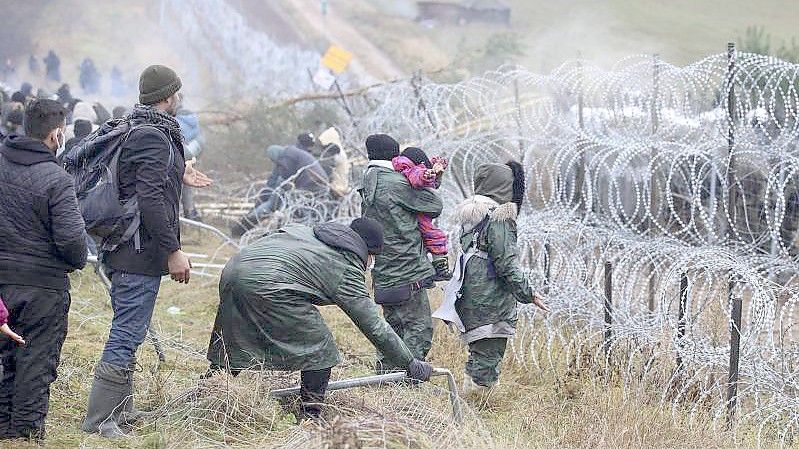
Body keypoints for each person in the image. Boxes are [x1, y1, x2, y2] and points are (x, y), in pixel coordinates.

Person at [82, 64, 212, 438]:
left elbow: (145, 181)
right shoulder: (154, 137)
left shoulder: (142, 130)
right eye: (178, 93)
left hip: (129, 250)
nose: (180, 99)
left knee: (131, 330)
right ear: (169, 96)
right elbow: (151, 200)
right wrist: (174, 250)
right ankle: (101, 420)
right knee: (125, 332)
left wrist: (178, 172)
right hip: (137, 252)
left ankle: (120, 411)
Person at [206, 218, 434, 419]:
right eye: (372, 258)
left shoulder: (307, 232)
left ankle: (208, 390)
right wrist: (409, 362)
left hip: (234, 270)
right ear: (368, 253)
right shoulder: (345, 267)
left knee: (235, 334)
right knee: (321, 348)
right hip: (269, 284)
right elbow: (374, 326)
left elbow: (270, 239)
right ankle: (310, 415)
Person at [0, 99, 88, 442]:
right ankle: (25, 433)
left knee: (7, 357)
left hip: (3, 282)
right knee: (35, 361)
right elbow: (73, 243)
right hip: (43, 286)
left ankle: (5, 425)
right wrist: (73, 262)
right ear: (57, 133)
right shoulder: (57, 180)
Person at [434, 161, 548, 394]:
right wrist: (527, 293)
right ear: (505, 186)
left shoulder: (471, 215)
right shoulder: (499, 216)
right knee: (488, 355)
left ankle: (471, 395)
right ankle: (479, 403)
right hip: (490, 298)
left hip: (469, 292)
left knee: (479, 351)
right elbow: (505, 262)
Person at [360, 134, 442, 372]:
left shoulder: (368, 180)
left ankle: (385, 377)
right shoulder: (396, 183)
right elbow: (434, 205)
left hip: (383, 271)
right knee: (418, 330)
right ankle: (407, 382)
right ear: (395, 156)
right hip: (408, 270)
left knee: (392, 328)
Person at [232, 143, 328, 237]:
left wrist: (270, 200)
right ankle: (297, 234)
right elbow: (277, 180)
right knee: (300, 209)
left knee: (277, 205)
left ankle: (245, 225)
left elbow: (283, 180)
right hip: (319, 183)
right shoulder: (291, 152)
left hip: (311, 183)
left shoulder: (286, 156)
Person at [392, 147, 451, 281]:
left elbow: (431, 183)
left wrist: (437, 171)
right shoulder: (414, 170)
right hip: (419, 214)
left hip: (415, 211)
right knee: (435, 236)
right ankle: (440, 269)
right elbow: (417, 177)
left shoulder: (404, 168)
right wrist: (426, 175)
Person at [176, 94, 203, 220]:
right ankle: (190, 212)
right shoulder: (192, 117)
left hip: (179, 154)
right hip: (191, 154)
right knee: (188, 185)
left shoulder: (174, 118)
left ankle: (181, 215)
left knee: (177, 186)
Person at [318, 126, 350, 197]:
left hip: (338, 187)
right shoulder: (339, 153)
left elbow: (327, 167)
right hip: (338, 186)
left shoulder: (337, 155)